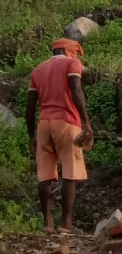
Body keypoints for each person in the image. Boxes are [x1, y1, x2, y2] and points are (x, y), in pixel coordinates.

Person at [25, 38, 93, 234]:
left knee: (44, 175)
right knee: (69, 173)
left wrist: (32, 136)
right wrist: (86, 122)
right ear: (67, 50)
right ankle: (66, 224)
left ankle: (47, 223)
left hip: (43, 124)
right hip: (66, 122)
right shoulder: (72, 63)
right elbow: (76, 90)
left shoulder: (37, 70)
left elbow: (30, 108)